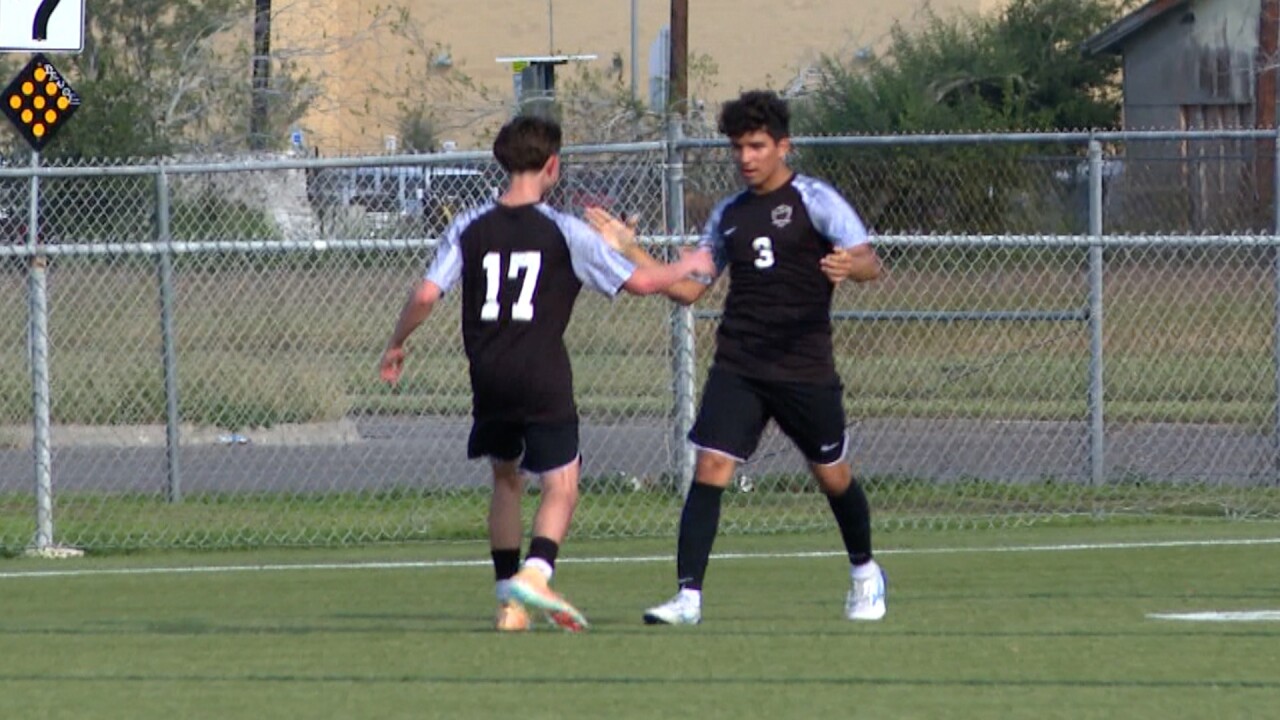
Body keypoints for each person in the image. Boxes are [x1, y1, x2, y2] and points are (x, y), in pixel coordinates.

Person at [380, 115, 714, 633]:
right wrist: (684, 264)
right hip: (540, 374)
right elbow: (644, 285)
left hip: (487, 375)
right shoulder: (564, 230)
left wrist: (397, 342)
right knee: (562, 482)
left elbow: (426, 294)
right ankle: (536, 574)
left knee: (505, 477)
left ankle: (507, 603)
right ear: (552, 166)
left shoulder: (468, 225)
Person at [586, 90, 885, 625]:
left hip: (803, 366)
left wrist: (850, 267)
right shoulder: (728, 215)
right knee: (711, 466)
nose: (746, 157)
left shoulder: (815, 200)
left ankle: (866, 574)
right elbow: (689, 289)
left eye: (756, 145)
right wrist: (629, 249)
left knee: (832, 475)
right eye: (738, 148)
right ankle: (687, 597)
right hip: (740, 365)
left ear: (782, 146)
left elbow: (868, 260)